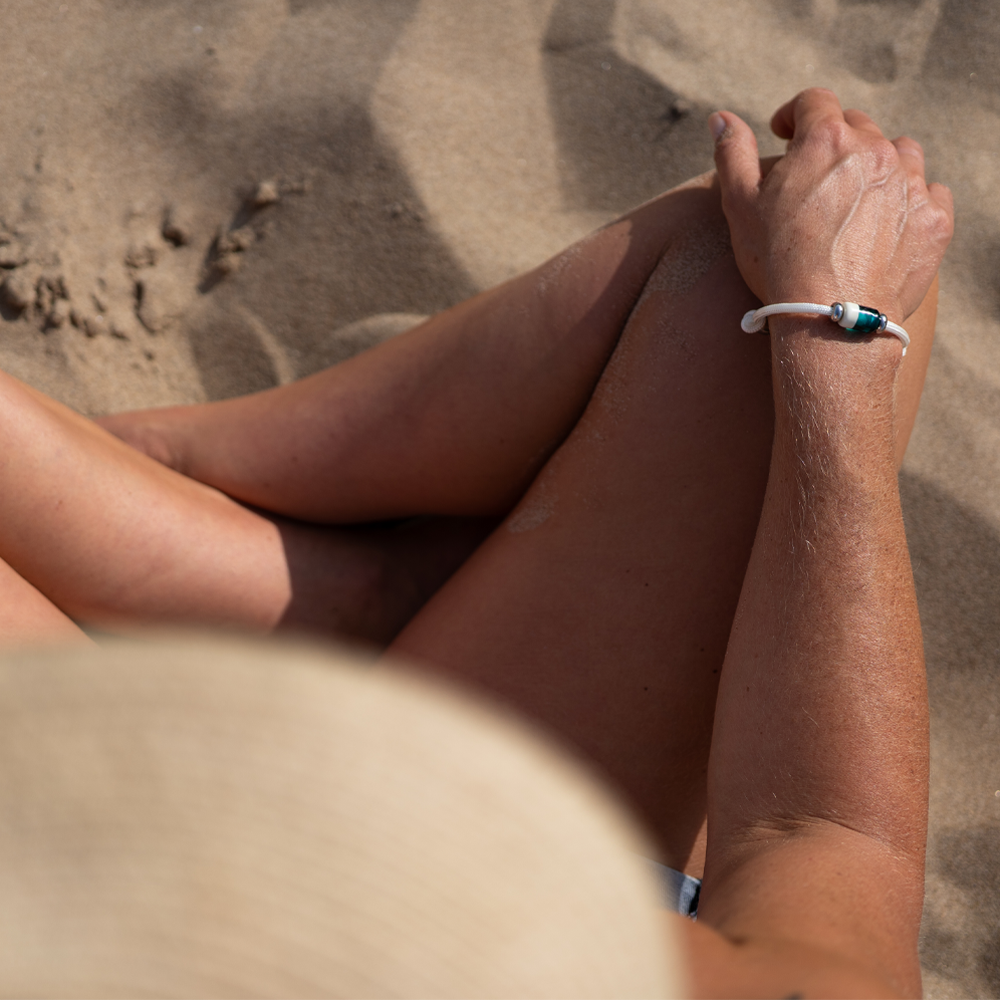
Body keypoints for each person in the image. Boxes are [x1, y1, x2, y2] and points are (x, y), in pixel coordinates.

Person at [0, 87, 952, 998]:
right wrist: (835, 323)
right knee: (765, 272)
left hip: (155, 917)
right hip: (502, 855)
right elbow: (824, 830)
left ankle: (329, 587)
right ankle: (222, 497)